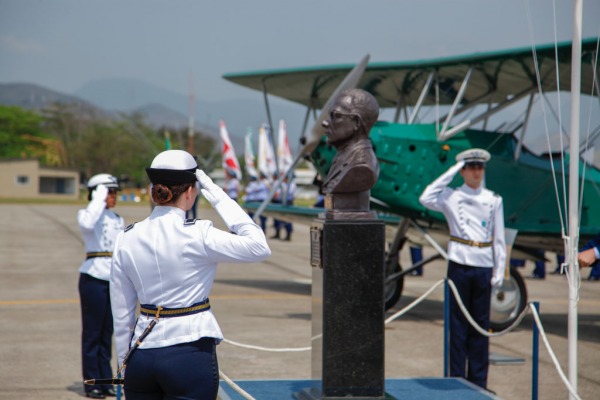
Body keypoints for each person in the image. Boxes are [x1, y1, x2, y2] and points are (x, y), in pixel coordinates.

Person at [110, 150, 271, 400]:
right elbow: (258, 246)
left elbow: (121, 312)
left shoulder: (126, 237)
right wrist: (217, 195)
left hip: (141, 354)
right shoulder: (199, 233)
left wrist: (123, 364)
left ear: (154, 191)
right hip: (188, 355)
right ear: (190, 192)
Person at [419, 148, 506, 391]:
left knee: (480, 327)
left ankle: (478, 383)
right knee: (457, 327)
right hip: (459, 263)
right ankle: (456, 380)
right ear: (464, 171)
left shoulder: (493, 199)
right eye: (472, 167)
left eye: (480, 167)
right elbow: (425, 197)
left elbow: (499, 239)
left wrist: (499, 271)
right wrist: (453, 169)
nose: (477, 172)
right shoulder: (451, 196)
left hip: (483, 265)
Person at [77, 173, 124, 399]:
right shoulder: (87, 214)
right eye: (109, 191)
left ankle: (105, 381)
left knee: (107, 334)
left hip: (113, 278)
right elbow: (88, 223)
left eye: (114, 192)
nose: (113, 196)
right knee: (92, 334)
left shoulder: (117, 219)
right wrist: (98, 198)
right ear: (98, 193)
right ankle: (91, 383)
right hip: (93, 277)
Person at [321, 88, 379, 218]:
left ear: (356, 123)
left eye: (335, 116)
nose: (324, 123)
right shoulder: (342, 157)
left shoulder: (363, 165)